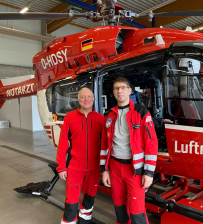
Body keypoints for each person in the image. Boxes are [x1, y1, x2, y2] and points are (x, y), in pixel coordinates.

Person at [101, 77, 158, 224]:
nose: (120, 91)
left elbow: (151, 143)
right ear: (113, 92)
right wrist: (104, 170)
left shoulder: (141, 112)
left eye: (123, 87)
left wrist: (149, 172)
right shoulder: (110, 115)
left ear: (130, 91)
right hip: (114, 168)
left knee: (136, 212)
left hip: (134, 170)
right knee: (119, 208)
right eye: (116, 88)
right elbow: (104, 145)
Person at [56, 87, 105, 224]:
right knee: (72, 199)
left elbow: (105, 145)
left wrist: (105, 167)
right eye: (83, 97)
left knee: (90, 197)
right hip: (75, 167)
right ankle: (68, 221)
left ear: (93, 99)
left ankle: (85, 220)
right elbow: (63, 143)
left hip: (94, 168)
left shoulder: (100, 119)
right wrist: (61, 166)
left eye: (89, 96)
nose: (86, 99)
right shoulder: (70, 117)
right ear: (78, 100)